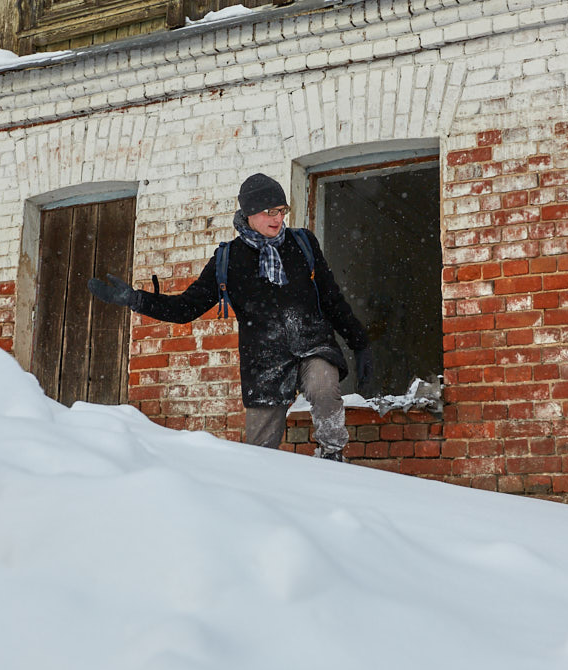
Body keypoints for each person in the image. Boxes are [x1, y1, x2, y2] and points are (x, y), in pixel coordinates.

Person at [87, 173, 372, 462]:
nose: (278, 218)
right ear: (249, 212)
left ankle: (333, 458)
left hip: (312, 345)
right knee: (260, 452)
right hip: (264, 362)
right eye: (269, 211)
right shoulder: (229, 259)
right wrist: (136, 299)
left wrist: (359, 343)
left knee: (323, 386)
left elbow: (332, 299)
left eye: (282, 210)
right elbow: (186, 307)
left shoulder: (303, 243)